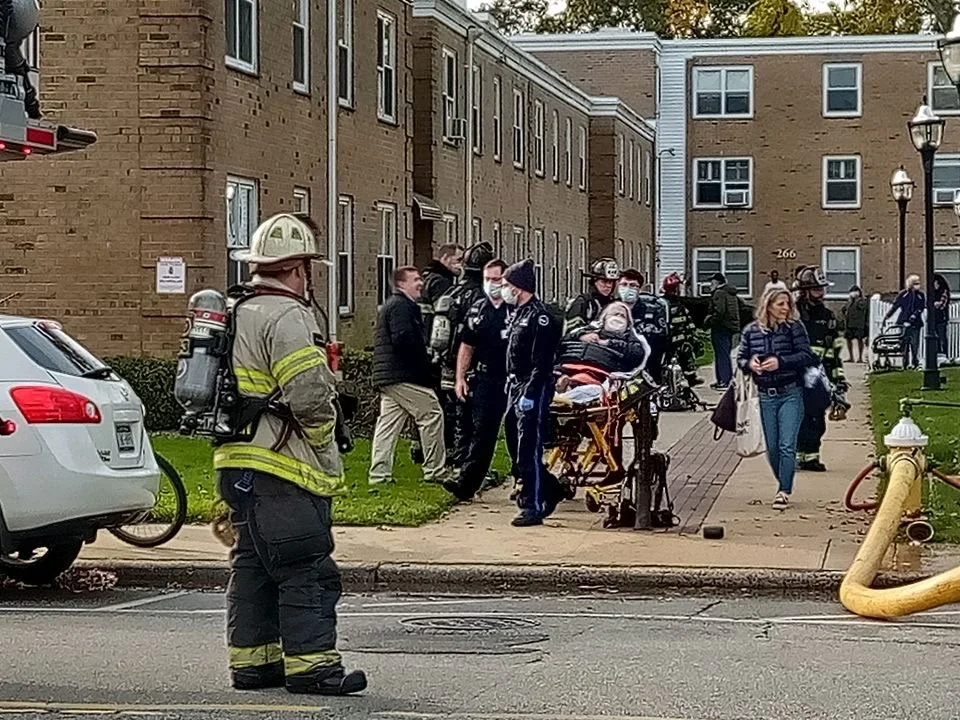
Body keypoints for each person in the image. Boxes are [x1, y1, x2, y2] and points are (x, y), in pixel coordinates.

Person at [215, 213, 366, 696]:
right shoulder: (287, 316)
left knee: (255, 565)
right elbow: (307, 394)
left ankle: (254, 664)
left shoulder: (234, 310)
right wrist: (326, 438)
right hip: (284, 467)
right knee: (307, 568)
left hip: (238, 465)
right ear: (300, 267)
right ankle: (313, 668)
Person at [738, 288, 816, 510]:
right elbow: (742, 358)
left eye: (788, 304)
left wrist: (780, 361)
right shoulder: (751, 332)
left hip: (790, 392)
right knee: (772, 447)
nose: (786, 309)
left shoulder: (794, 329)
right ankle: (781, 480)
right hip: (765, 394)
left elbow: (806, 355)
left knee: (786, 445)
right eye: (781, 304)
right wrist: (750, 364)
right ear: (768, 305)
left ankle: (784, 490)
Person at [369, 267, 447, 485]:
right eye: (415, 280)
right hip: (401, 375)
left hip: (387, 376)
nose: (420, 283)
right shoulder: (402, 307)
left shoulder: (394, 305)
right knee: (432, 414)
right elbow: (404, 340)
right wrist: (425, 359)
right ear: (401, 284)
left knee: (388, 424)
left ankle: (379, 474)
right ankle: (435, 470)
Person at [443, 259, 511, 502]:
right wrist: (460, 377)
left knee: (518, 434)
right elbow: (466, 345)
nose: (492, 285)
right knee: (482, 433)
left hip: (513, 379)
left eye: (497, 280)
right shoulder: (478, 309)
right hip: (485, 378)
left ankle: (528, 481)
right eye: (488, 280)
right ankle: (466, 484)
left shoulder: (517, 309)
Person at [502, 259, 563, 527]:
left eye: (506, 285)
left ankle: (533, 504)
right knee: (516, 444)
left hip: (533, 388)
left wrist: (530, 393)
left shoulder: (540, 317)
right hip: (516, 385)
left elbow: (542, 362)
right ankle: (550, 487)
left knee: (529, 447)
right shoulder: (519, 313)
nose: (503, 290)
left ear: (519, 287)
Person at [431, 242, 496, 471]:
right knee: (470, 419)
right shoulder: (481, 297)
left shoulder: (451, 292)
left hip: (447, 363)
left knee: (453, 413)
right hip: (470, 364)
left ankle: (454, 460)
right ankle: (464, 463)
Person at [795, 265, 845, 473]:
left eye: (822, 288)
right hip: (795, 375)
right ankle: (797, 455)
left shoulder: (828, 316)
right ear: (805, 290)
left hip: (818, 377)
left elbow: (834, 352)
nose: (821, 293)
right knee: (797, 417)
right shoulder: (793, 314)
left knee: (816, 418)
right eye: (816, 289)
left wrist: (838, 379)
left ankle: (811, 457)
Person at [558, 301, 650, 373]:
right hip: (571, 362)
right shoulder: (588, 330)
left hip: (604, 370)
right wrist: (581, 336)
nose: (618, 317)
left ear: (628, 323)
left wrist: (608, 343)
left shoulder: (630, 337)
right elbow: (562, 341)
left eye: (622, 316)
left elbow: (636, 353)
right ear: (604, 318)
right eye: (615, 314)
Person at [617, 268, 669, 380]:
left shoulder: (652, 310)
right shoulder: (610, 308)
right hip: (617, 362)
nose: (628, 288)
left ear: (639, 289)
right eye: (624, 284)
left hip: (648, 364)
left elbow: (662, 337)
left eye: (633, 285)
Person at [661, 272, 703, 387]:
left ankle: (690, 377)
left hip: (674, 340)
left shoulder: (666, 303)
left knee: (686, 352)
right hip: (672, 341)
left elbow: (687, 321)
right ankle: (690, 378)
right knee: (686, 352)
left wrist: (691, 333)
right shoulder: (670, 305)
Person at [564, 257, 620, 332]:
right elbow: (573, 330)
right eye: (604, 281)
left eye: (611, 282)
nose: (608, 286)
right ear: (594, 282)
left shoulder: (616, 304)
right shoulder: (583, 302)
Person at [705, 273, 741, 390]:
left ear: (717, 283)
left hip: (721, 327)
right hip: (730, 327)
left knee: (721, 355)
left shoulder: (719, 293)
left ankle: (724, 380)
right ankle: (724, 379)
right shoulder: (731, 293)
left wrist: (709, 321)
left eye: (712, 283)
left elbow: (719, 311)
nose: (710, 285)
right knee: (725, 354)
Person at [883, 274, 925, 370]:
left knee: (915, 344)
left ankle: (915, 362)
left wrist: (914, 316)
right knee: (904, 342)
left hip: (915, 323)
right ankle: (905, 363)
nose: (917, 285)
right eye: (915, 283)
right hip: (903, 321)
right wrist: (887, 316)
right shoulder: (903, 294)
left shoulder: (921, 295)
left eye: (918, 283)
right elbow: (896, 306)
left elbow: (921, 307)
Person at [840, 285, 869, 363]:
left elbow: (863, 308)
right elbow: (844, 309)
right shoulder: (849, 302)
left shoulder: (862, 301)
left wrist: (857, 299)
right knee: (848, 340)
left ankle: (860, 358)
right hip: (849, 324)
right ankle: (851, 357)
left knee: (860, 340)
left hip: (859, 324)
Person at [934, 273, 951, 359]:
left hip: (941, 318)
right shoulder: (933, 293)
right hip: (934, 319)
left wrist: (935, 304)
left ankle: (944, 354)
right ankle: (937, 354)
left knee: (942, 338)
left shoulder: (944, 291)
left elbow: (941, 305)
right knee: (935, 338)